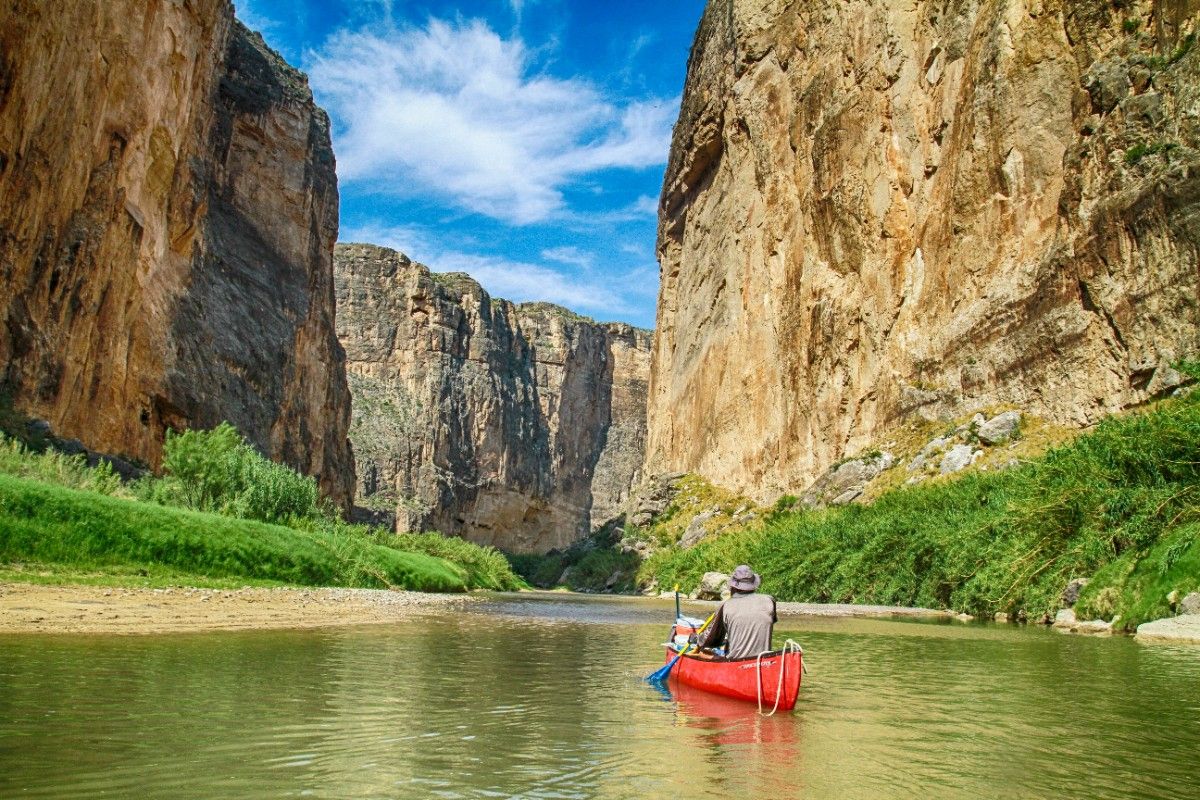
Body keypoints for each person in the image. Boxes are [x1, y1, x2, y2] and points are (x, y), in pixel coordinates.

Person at [697, 564, 778, 659]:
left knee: (705, 653)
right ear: (753, 586)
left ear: (733, 587)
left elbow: (712, 640)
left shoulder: (726, 606)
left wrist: (697, 639)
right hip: (763, 661)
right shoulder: (769, 601)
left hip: (735, 663)